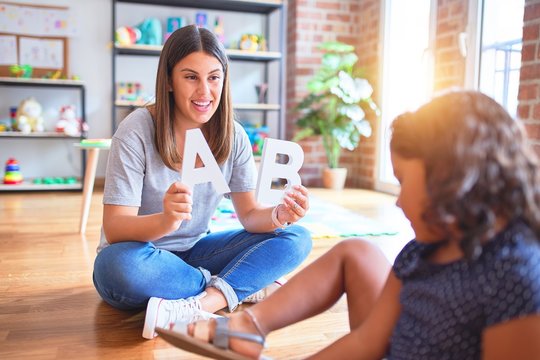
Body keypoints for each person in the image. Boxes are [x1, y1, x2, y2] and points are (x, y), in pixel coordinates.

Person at [156, 90, 540, 359]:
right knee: (355, 251)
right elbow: (368, 343)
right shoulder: (423, 250)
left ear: (456, 176)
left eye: (405, 181)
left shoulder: (516, 278)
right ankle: (246, 325)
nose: (399, 200)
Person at [92, 25, 312, 340]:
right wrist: (165, 220)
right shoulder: (136, 129)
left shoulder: (233, 135)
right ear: (169, 80)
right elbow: (115, 228)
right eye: (191, 77)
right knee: (117, 269)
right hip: (140, 255)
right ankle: (235, 285)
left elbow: (250, 215)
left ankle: (206, 301)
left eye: (214, 77)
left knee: (297, 237)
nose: (205, 92)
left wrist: (279, 215)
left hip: (194, 252)